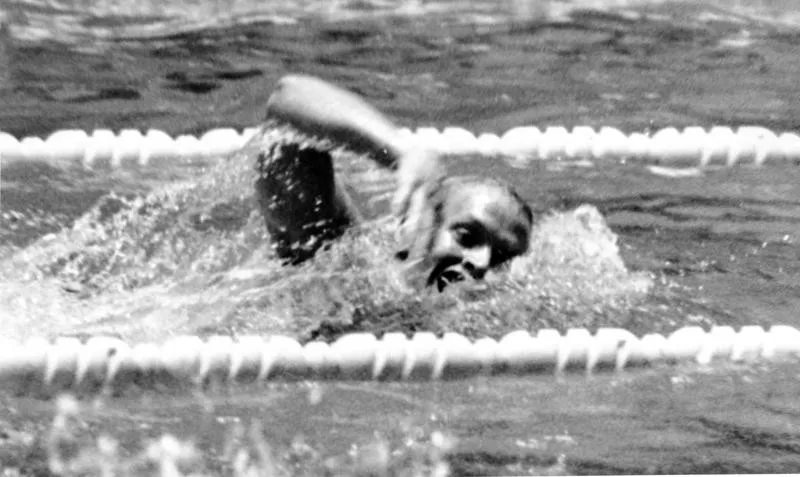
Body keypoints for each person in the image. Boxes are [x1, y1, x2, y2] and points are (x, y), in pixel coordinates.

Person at [253, 74, 533, 290]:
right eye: (466, 236)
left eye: (501, 258)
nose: (481, 263)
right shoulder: (339, 277)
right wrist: (403, 153)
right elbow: (287, 99)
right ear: (421, 220)